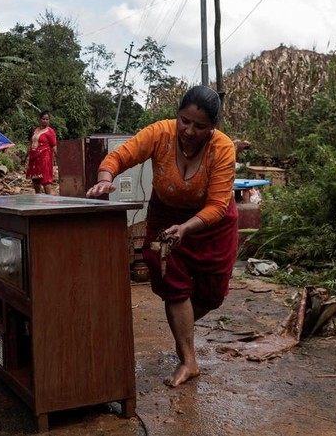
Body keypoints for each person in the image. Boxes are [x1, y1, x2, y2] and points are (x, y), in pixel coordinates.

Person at [86, 86, 238, 388]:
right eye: (184, 121)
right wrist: (105, 179)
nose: (189, 130)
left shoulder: (222, 148)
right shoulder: (159, 133)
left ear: (213, 127)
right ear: (177, 116)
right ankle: (188, 359)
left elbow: (218, 205)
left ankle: (182, 328)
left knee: (213, 295)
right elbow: (119, 156)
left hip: (211, 225)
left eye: (200, 126)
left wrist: (186, 228)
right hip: (165, 216)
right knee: (172, 282)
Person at [25, 111, 58, 194]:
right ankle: (38, 197)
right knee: (35, 178)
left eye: (47, 119)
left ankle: (48, 197)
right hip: (34, 157)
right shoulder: (36, 130)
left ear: (49, 120)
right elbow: (31, 144)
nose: (45, 121)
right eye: (43, 119)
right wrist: (25, 156)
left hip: (44, 157)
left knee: (46, 178)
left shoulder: (50, 132)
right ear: (40, 119)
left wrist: (59, 158)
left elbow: (54, 146)